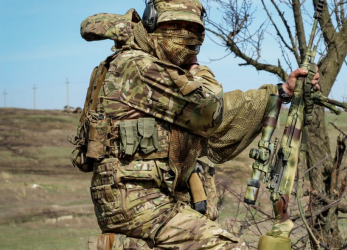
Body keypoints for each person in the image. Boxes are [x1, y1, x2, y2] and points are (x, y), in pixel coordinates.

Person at [72, 0, 319, 249]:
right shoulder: (138, 66)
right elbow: (210, 111)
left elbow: (218, 110)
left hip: (150, 200)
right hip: (138, 203)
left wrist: (283, 91)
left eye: (192, 29)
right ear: (152, 24)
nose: (186, 38)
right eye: (175, 27)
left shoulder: (151, 66)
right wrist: (197, 70)